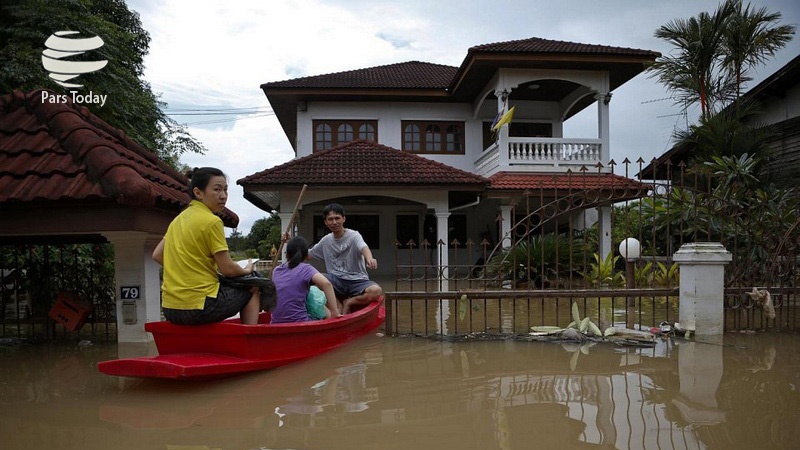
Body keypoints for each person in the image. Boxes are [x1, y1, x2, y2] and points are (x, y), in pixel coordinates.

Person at [152, 167, 261, 325]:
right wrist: (246, 270)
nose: (223, 196)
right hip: (200, 306)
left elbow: (157, 255)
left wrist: (186, 270)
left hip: (170, 308)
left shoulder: (178, 220)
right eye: (217, 190)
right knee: (253, 287)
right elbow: (228, 269)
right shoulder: (212, 221)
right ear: (198, 193)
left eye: (225, 190)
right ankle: (250, 342)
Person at [309, 203, 383, 314]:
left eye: (337, 218)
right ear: (325, 222)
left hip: (357, 280)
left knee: (376, 291)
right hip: (336, 280)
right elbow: (307, 255)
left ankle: (349, 302)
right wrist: (289, 243)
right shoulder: (325, 241)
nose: (334, 222)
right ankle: (337, 306)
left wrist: (370, 258)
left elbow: (363, 247)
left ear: (344, 219)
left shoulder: (354, 235)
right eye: (330, 219)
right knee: (315, 279)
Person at [271, 236, 341, 323]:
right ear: (307, 256)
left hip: (275, 322)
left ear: (287, 254)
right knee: (319, 300)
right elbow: (327, 284)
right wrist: (334, 312)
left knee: (310, 291)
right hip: (300, 322)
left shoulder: (276, 270)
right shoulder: (305, 268)